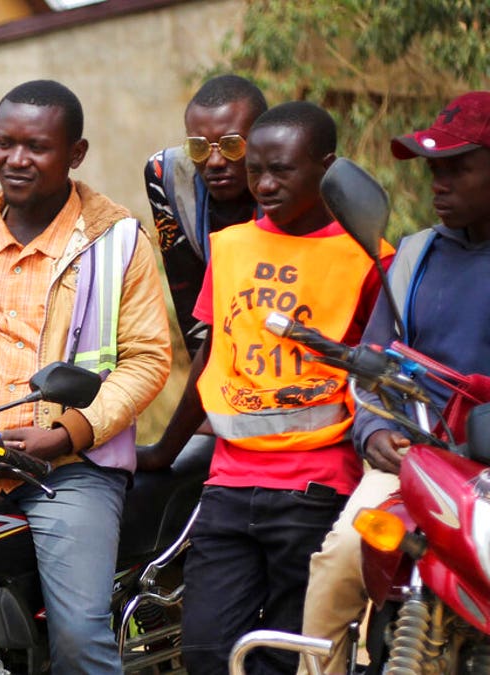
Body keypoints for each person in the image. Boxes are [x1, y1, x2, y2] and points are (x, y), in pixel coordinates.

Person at [0, 79, 172, 674]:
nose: (16, 159)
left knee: (79, 636)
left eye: (37, 147)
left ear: (75, 154)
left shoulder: (117, 241)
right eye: (5, 143)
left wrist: (69, 432)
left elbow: (148, 358)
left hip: (72, 469)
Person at [136, 101, 393, 675]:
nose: (265, 183)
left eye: (282, 170)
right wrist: (164, 452)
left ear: (327, 169)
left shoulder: (369, 258)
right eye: (256, 170)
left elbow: (382, 371)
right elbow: (211, 354)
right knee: (204, 649)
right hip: (228, 481)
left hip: (316, 487)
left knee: (286, 653)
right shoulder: (230, 247)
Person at [299, 91, 490, 674]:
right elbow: (375, 363)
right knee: (338, 562)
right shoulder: (411, 257)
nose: (439, 183)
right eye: (434, 169)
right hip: (420, 461)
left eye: (457, 167)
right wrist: (375, 433)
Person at [145, 75, 267, 355]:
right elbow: (187, 294)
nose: (214, 161)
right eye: (199, 147)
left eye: (232, 145)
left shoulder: (294, 175)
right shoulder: (169, 177)